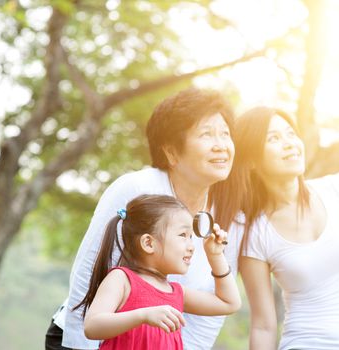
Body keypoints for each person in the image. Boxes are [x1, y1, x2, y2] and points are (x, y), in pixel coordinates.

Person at [46, 87, 241, 350]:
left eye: (225, 134)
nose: (221, 145)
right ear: (171, 152)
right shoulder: (137, 189)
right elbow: (90, 272)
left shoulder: (224, 216)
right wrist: (79, 345)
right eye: (206, 134)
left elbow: (218, 308)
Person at [213, 107, 339, 349]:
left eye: (291, 134)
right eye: (274, 139)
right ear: (251, 161)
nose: (289, 144)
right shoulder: (255, 232)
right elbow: (263, 325)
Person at [75, 194, 241, 349]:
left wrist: (216, 255)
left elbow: (229, 303)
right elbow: (92, 326)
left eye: (191, 236)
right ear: (148, 243)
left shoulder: (176, 292)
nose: (191, 246)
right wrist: (143, 316)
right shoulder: (122, 279)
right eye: (183, 235)